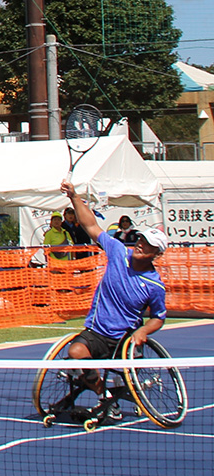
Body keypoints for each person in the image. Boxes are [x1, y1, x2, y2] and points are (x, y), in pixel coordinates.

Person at [60, 178, 168, 419]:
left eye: (148, 244)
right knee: (76, 353)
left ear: (156, 254)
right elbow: (91, 227)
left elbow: (158, 318)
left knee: (118, 363)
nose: (141, 244)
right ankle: (105, 396)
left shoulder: (154, 286)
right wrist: (74, 197)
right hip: (97, 331)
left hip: (125, 339)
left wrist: (143, 332)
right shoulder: (119, 251)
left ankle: (130, 390)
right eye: (141, 239)